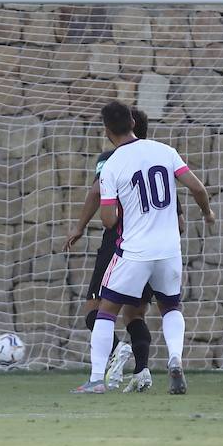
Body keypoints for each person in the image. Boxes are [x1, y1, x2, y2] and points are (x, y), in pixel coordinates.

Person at [72, 101, 215, 395]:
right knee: (170, 307)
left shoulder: (112, 165)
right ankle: (175, 359)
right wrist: (207, 213)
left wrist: (119, 210)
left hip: (135, 251)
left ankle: (97, 380)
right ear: (133, 123)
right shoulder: (166, 151)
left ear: (107, 131)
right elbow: (198, 188)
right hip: (169, 251)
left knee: (105, 311)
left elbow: (108, 219)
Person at [64, 107, 162, 391]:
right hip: (154, 249)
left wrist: (79, 226)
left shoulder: (110, 158)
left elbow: (97, 192)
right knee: (135, 314)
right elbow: (179, 221)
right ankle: (142, 372)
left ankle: (115, 353)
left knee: (95, 312)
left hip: (118, 245)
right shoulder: (158, 164)